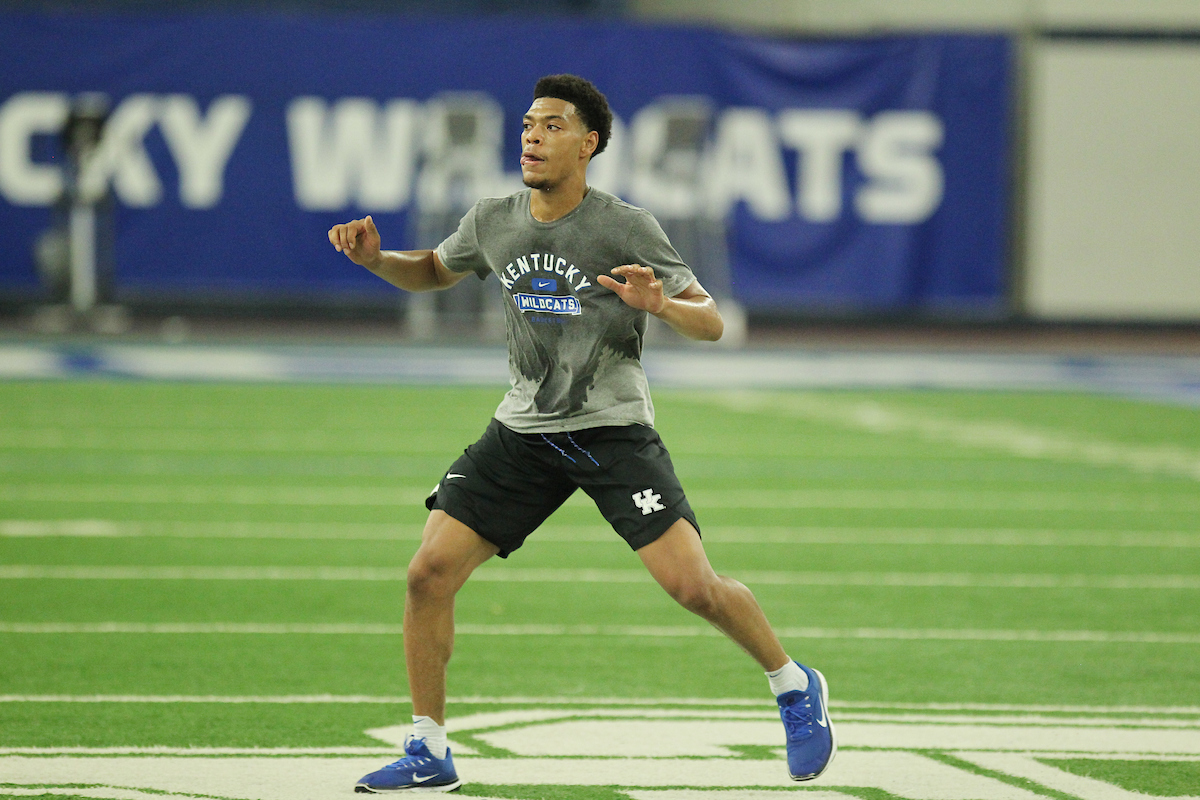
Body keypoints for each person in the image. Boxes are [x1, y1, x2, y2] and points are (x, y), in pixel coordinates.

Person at [328, 74, 835, 793]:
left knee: (692, 587)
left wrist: (661, 305)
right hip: (524, 429)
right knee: (427, 573)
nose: (532, 136)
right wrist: (378, 261)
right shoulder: (494, 218)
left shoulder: (624, 226)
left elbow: (712, 321)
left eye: (552, 126)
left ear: (588, 143)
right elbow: (436, 271)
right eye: (529, 124)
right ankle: (429, 749)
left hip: (611, 428)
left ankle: (792, 684)